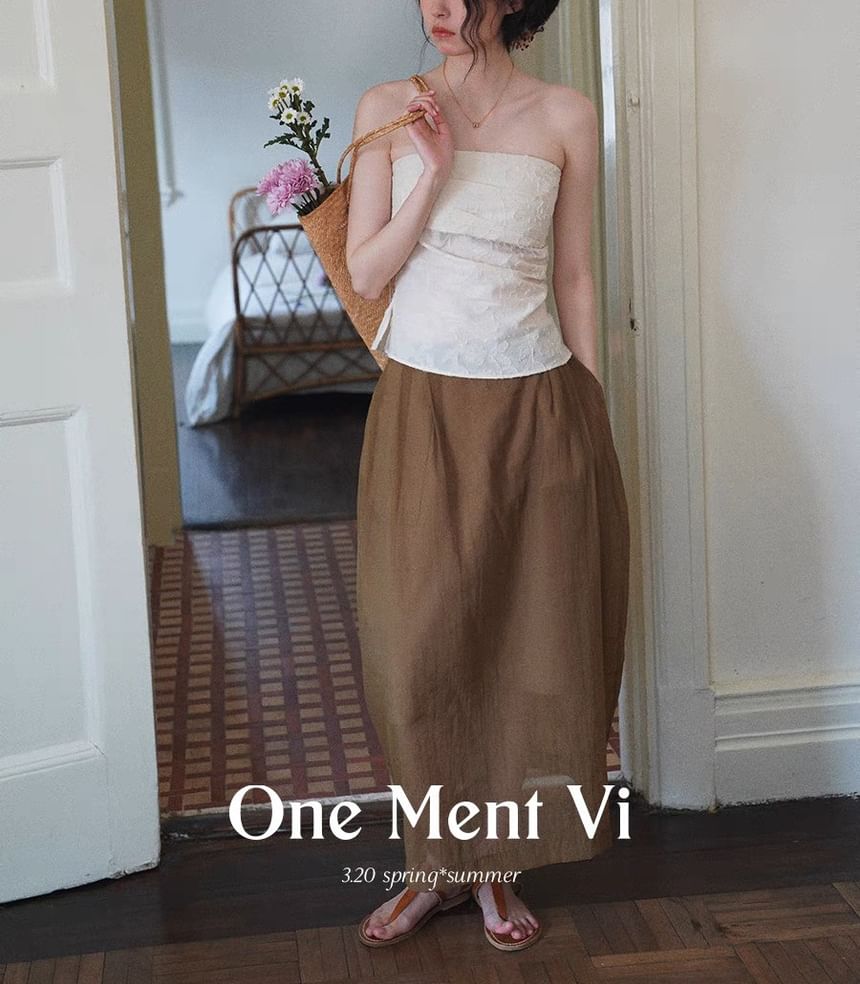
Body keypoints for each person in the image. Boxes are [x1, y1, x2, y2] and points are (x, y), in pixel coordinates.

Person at [345, 0, 630, 954]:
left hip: (539, 404)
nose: (440, 6)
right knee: (417, 646)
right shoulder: (387, 107)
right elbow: (368, 272)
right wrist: (432, 174)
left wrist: (591, 408)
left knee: (525, 647)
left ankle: (494, 866)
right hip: (422, 408)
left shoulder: (567, 115)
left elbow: (575, 277)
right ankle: (434, 866)